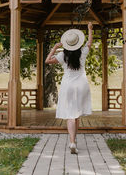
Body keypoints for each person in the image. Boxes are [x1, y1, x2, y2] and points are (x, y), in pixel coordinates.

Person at [45, 22, 93, 154]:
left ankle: (72, 142)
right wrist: (90, 29)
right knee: (76, 115)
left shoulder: (62, 55)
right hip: (82, 85)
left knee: (70, 115)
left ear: (67, 43)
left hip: (68, 86)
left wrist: (54, 47)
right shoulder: (82, 53)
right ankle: (73, 141)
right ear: (78, 43)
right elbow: (89, 43)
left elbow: (47, 61)